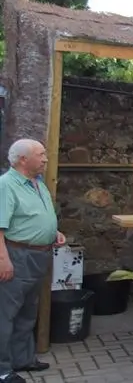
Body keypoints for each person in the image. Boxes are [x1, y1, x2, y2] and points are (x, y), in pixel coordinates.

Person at [0, 139, 67, 383]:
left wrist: (53, 232)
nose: (46, 159)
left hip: (39, 255)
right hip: (17, 255)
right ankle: (2, 369)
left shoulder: (37, 183)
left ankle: (22, 359)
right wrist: (3, 260)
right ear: (23, 159)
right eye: (40, 154)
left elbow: (34, 217)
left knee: (28, 311)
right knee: (5, 313)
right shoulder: (6, 185)